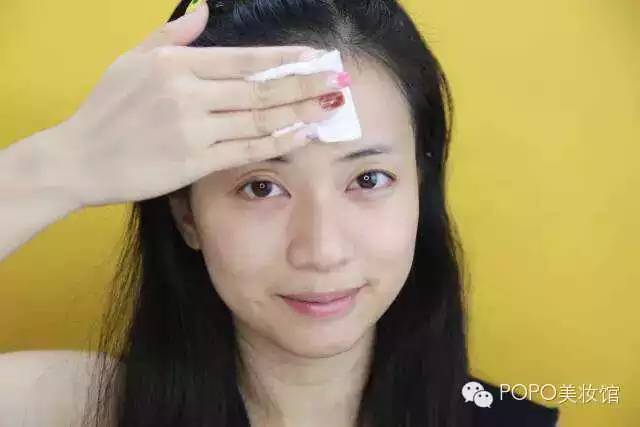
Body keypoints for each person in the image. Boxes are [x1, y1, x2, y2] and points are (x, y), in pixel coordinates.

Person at [0, 0, 561, 426]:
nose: (322, 250)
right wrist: (65, 163)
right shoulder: (81, 407)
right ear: (187, 215)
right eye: (261, 187)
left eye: (368, 179)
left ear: (420, 190)